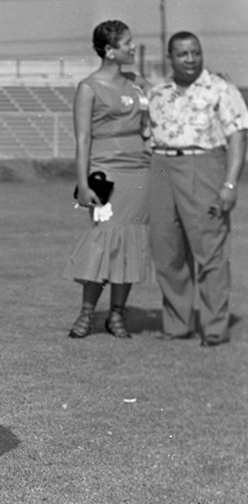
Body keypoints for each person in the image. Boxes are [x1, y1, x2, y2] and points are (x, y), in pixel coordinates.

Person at [146, 31, 248, 347]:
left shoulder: (221, 89)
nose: (190, 60)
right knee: (168, 251)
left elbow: (237, 137)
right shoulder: (158, 93)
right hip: (162, 166)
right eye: (183, 54)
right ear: (170, 58)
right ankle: (177, 326)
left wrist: (229, 183)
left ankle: (214, 328)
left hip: (203, 166)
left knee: (210, 250)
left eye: (195, 53)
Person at [63, 20, 153, 339]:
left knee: (130, 244)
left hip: (140, 173)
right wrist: (84, 184)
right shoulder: (88, 88)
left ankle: (117, 315)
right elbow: (82, 139)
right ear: (110, 50)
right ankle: (87, 314)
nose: (133, 47)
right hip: (106, 175)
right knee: (105, 242)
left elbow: (149, 122)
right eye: (127, 43)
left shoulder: (138, 84)